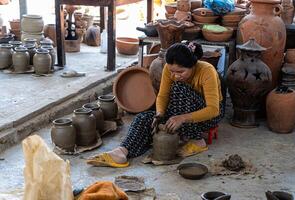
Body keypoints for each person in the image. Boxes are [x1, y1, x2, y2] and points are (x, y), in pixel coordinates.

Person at [87, 42, 224, 168]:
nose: (175, 75)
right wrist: (159, 114)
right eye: (172, 72)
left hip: (209, 117)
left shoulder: (207, 70)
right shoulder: (168, 69)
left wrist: (182, 118)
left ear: (193, 65)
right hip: (181, 110)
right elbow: (163, 96)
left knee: (179, 89)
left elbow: (213, 109)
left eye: (181, 72)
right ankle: (122, 151)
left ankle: (197, 141)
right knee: (144, 117)